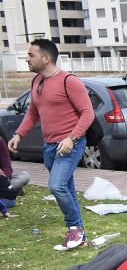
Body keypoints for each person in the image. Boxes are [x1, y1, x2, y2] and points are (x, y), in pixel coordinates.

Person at [8, 39, 94, 250]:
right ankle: (79, 235)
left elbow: (88, 113)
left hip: (69, 144)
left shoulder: (69, 81)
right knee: (67, 189)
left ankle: (74, 229)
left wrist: (71, 138)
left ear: (45, 58)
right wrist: (19, 134)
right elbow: (33, 113)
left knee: (56, 186)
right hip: (50, 146)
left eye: (31, 55)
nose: (26, 59)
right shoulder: (36, 81)